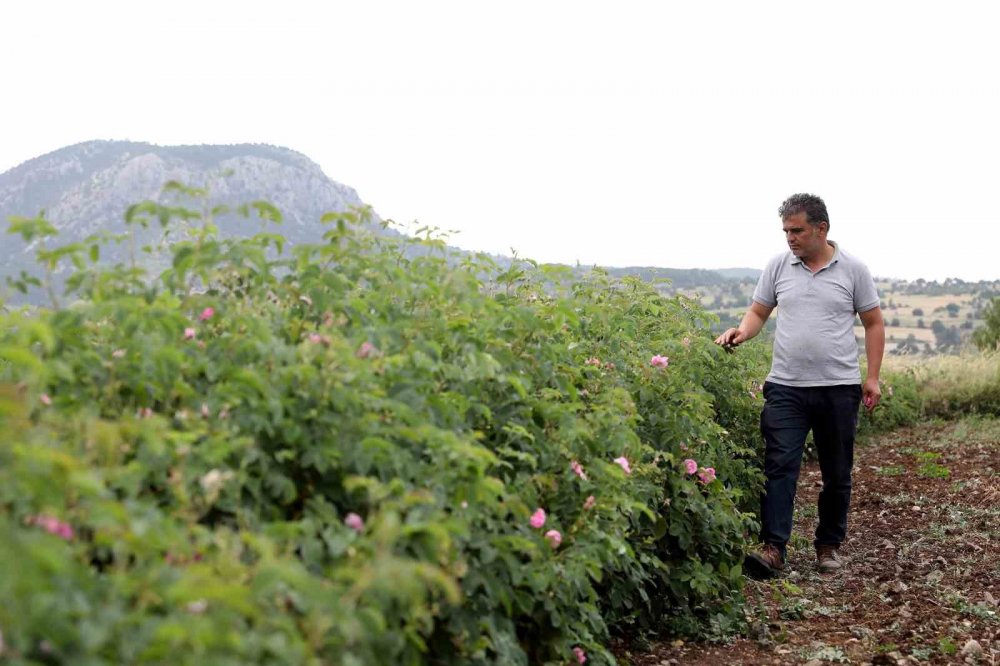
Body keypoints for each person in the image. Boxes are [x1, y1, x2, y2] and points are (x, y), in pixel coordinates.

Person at [714, 193, 885, 578]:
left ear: (821, 229)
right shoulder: (778, 266)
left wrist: (871, 377)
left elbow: (873, 323)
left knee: (837, 471)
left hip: (838, 387)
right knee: (779, 466)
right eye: (786, 231)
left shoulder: (853, 269)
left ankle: (828, 546)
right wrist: (741, 333)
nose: (789, 238)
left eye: (797, 230)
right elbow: (759, 311)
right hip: (786, 387)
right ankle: (773, 548)